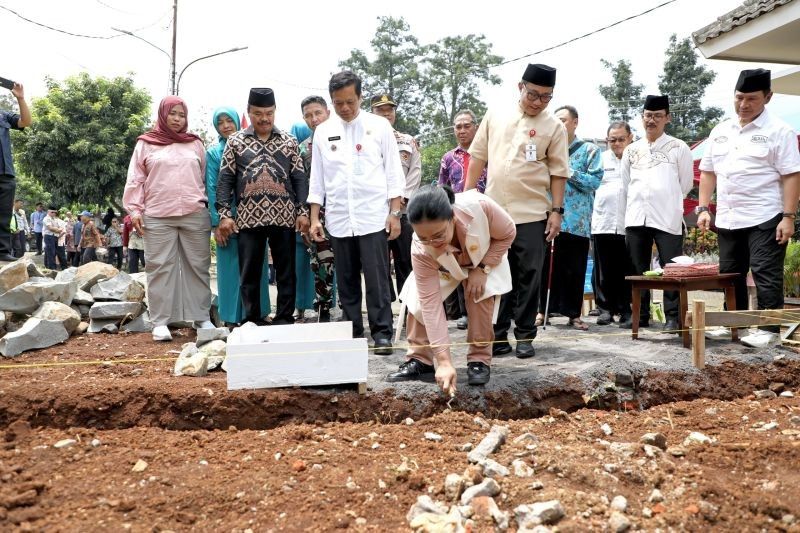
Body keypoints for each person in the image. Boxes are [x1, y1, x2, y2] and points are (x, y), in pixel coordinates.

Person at [465, 63, 569, 359]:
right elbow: (477, 156)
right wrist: (467, 196)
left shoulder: (554, 127)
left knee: (529, 275)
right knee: (495, 274)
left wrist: (556, 211)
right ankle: (497, 336)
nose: (537, 102)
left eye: (545, 97)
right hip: (493, 211)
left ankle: (525, 335)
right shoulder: (495, 114)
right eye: (533, 94)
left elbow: (559, 172)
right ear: (519, 87)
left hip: (533, 213)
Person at [698, 68, 800, 347]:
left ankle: (768, 331)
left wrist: (788, 216)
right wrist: (704, 207)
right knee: (730, 275)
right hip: (729, 216)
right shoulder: (720, 130)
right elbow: (708, 172)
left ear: (768, 97)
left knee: (766, 274)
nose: (743, 105)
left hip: (765, 215)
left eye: (752, 99)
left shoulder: (780, 131)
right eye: (739, 97)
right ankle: (735, 324)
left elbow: (792, 175)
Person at [307, 71, 404, 354]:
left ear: (360, 97)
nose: (345, 108)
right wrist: (315, 217)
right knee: (346, 280)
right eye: (338, 103)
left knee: (378, 279)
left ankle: (382, 333)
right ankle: (352, 331)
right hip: (338, 218)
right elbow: (318, 179)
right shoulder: (323, 131)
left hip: (373, 216)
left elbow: (393, 173)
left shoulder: (379, 126)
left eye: (350, 101)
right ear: (332, 102)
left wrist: (395, 212)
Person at [387, 185, 516, 390]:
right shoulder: (420, 248)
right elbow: (431, 304)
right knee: (418, 300)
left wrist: (482, 268)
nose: (432, 242)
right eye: (424, 237)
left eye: (438, 235)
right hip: (443, 266)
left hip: (484, 257)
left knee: (479, 297)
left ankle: (479, 360)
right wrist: (444, 361)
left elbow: (508, 232)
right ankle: (421, 360)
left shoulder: (481, 207)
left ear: (452, 218)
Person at [124, 95, 214, 342]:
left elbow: (205, 178)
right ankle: (160, 321)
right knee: (159, 267)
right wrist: (135, 210)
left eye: (181, 114)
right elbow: (136, 179)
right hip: (157, 215)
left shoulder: (195, 144)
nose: (177, 119)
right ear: (163, 115)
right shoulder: (146, 143)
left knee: (198, 266)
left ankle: (201, 316)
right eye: (172, 113)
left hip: (194, 214)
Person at [216, 88, 309, 326]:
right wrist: (225, 214)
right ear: (249, 112)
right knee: (249, 273)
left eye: (269, 112)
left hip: (284, 218)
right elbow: (225, 179)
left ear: (275, 111)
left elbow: (299, 178)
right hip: (248, 219)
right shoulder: (236, 141)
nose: (264, 118)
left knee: (286, 272)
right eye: (258, 113)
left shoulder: (289, 141)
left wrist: (302, 211)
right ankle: (253, 319)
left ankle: (285, 317)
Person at [620, 95, 693, 332]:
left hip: (667, 217)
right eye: (648, 115)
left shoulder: (678, 147)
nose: (652, 120)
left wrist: (666, 199)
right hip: (636, 217)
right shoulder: (631, 150)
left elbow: (686, 184)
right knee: (636, 268)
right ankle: (640, 316)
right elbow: (626, 185)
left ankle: (673, 317)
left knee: (671, 268)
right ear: (642, 117)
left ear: (667, 118)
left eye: (658, 116)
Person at [537, 105, 603, 330]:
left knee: (574, 268)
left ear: (575, 122)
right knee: (546, 267)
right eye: (556, 120)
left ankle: (574, 314)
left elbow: (594, 182)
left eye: (564, 120)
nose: (560, 124)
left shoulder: (590, 150)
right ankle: (542, 311)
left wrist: (568, 170)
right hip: (548, 218)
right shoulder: (547, 149)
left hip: (578, 221)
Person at [205, 106, 271, 325]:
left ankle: (258, 313)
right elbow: (213, 186)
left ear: (237, 122)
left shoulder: (250, 146)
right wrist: (218, 221)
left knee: (256, 265)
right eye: (220, 122)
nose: (225, 126)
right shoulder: (214, 153)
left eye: (229, 121)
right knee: (230, 269)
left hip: (253, 217)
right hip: (227, 219)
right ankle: (232, 318)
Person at [439, 109, 489, 330]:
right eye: (457, 127)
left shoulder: (489, 154)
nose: (461, 130)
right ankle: (465, 313)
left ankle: (489, 312)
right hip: (458, 217)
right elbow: (443, 188)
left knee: (485, 263)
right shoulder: (448, 158)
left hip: (485, 215)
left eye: (466, 126)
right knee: (462, 262)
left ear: (476, 127)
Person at [370, 93, 422, 297]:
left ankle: (409, 308)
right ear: (371, 113)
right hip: (376, 212)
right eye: (380, 110)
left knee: (406, 261)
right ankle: (384, 310)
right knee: (379, 263)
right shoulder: (365, 142)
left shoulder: (408, 141)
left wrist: (402, 199)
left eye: (389, 110)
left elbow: (415, 172)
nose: (386, 114)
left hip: (405, 212)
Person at [591, 122, 634, 326]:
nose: (616, 143)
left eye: (621, 139)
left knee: (626, 269)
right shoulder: (599, 159)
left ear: (630, 138)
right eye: (612, 140)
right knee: (603, 269)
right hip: (603, 221)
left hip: (629, 222)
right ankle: (605, 309)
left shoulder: (636, 158)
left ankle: (626, 309)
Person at [298, 95, 335, 321]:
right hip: (317, 215)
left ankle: (351, 306)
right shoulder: (303, 149)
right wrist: (305, 217)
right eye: (308, 115)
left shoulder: (341, 139)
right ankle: (324, 307)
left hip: (345, 211)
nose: (314, 119)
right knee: (321, 262)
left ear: (327, 112)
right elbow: (301, 187)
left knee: (351, 262)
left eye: (317, 113)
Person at [0, 81, 31, 262]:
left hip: (5, 173)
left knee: (3, 215)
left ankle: (2, 251)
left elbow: (25, 121)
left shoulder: (3, 115)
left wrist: (20, 98)